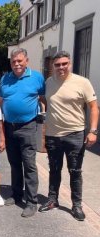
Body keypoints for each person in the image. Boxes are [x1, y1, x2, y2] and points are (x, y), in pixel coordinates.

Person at [38, 51, 99, 221]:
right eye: (57, 65)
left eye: (64, 64)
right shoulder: (49, 82)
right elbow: (44, 100)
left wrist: (93, 131)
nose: (61, 67)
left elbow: (94, 107)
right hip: (52, 135)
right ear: (53, 66)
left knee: (75, 171)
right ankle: (52, 200)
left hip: (75, 134)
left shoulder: (82, 82)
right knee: (54, 170)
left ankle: (76, 205)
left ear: (69, 64)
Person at [0, 48, 45, 217]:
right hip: (9, 126)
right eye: (13, 62)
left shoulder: (37, 78)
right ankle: (17, 195)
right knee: (14, 164)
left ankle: (32, 202)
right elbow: (1, 101)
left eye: (19, 61)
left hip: (28, 126)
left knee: (29, 165)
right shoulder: (5, 79)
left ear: (26, 61)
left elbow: (43, 98)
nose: (16, 64)